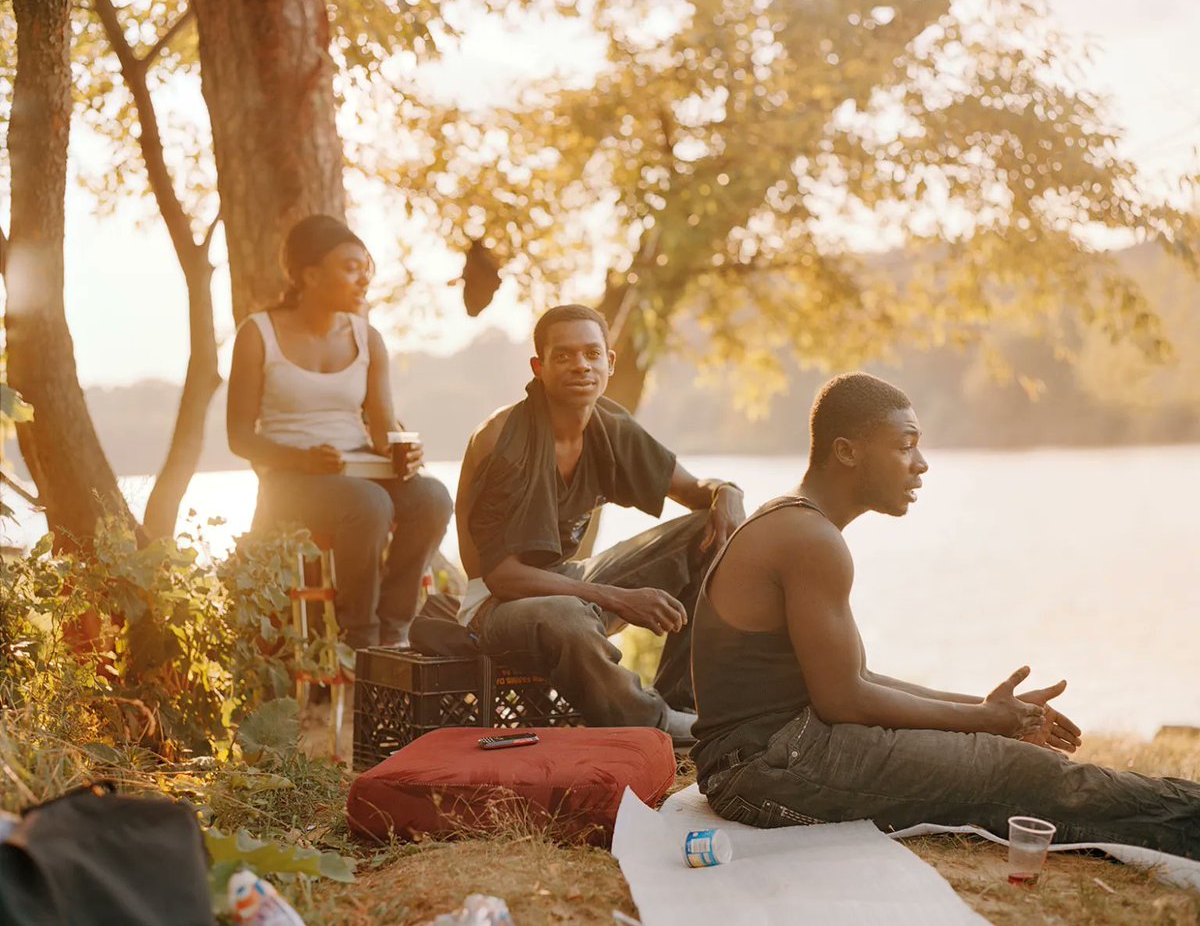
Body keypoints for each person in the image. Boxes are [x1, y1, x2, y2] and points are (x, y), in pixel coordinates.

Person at [690, 372, 1199, 856]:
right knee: (1021, 775)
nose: (922, 464)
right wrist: (984, 722)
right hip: (764, 769)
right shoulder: (810, 538)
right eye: (905, 445)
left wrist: (989, 714)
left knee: (1016, 762)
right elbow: (844, 699)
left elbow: (857, 679)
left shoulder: (799, 524)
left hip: (773, 754)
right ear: (846, 452)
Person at [454, 304, 746, 738]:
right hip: (494, 609)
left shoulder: (610, 425)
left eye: (592, 353)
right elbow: (502, 577)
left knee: (713, 530)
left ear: (609, 362)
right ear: (539, 367)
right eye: (564, 355)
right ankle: (653, 723)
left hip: (567, 583)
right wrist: (617, 598)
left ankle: (680, 701)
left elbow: (691, 489)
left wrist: (728, 492)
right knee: (569, 616)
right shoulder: (503, 437)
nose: (581, 366)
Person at [227, 214, 453, 649]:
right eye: (350, 267)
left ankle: (395, 631)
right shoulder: (258, 334)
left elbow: (384, 426)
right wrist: (302, 460)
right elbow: (239, 437)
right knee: (367, 504)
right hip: (290, 479)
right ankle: (361, 638)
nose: (363, 278)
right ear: (309, 275)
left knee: (432, 498)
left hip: (356, 466)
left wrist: (403, 452)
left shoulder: (368, 338)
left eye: (365, 267)